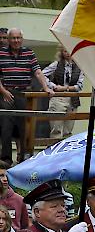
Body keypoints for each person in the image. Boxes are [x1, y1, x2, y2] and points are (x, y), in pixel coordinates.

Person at [0, 28, 55, 165]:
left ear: (22, 39)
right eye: (13, 38)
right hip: (7, 93)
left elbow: (37, 72)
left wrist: (46, 87)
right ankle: (6, 159)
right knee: (6, 126)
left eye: (18, 38)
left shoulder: (29, 53)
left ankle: (24, 157)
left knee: (25, 127)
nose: (16, 40)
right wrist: (3, 92)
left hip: (24, 93)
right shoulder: (1, 53)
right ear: (9, 39)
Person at [42, 46, 84, 139]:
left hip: (73, 99)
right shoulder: (56, 64)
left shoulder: (79, 67)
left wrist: (65, 88)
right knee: (56, 129)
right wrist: (53, 86)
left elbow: (79, 86)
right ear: (61, 52)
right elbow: (42, 74)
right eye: (65, 51)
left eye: (70, 51)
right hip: (58, 98)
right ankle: (55, 149)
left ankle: (66, 151)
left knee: (68, 130)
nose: (68, 53)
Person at [0, 161, 29, 231]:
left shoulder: (19, 200)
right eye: (1, 176)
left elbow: (25, 228)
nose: (5, 179)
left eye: (7, 176)